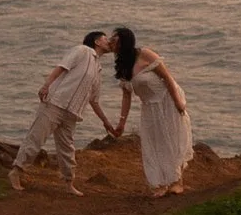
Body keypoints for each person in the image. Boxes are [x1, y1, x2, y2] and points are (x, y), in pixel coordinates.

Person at [10, 28, 119, 192]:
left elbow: (94, 100)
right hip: (55, 103)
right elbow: (62, 67)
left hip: (72, 113)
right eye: (105, 38)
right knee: (35, 139)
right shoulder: (82, 50)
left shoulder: (98, 68)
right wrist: (46, 85)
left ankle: (68, 183)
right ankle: (16, 172)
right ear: (96, 42)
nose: (108, 41)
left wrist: (106, 123)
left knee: (67, 149)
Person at [107, 26, 194, 197]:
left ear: (125, 41)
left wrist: (178, 102)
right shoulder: (123, 66)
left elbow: (167, 78)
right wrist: (121, 122)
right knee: (153, 144)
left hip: (166, 100)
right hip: (149, 107)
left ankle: (177, 181)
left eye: (115, 40)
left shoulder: (145, 54)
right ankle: (159, 183)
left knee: (171, 139)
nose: (111, 43)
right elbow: (127, 96)